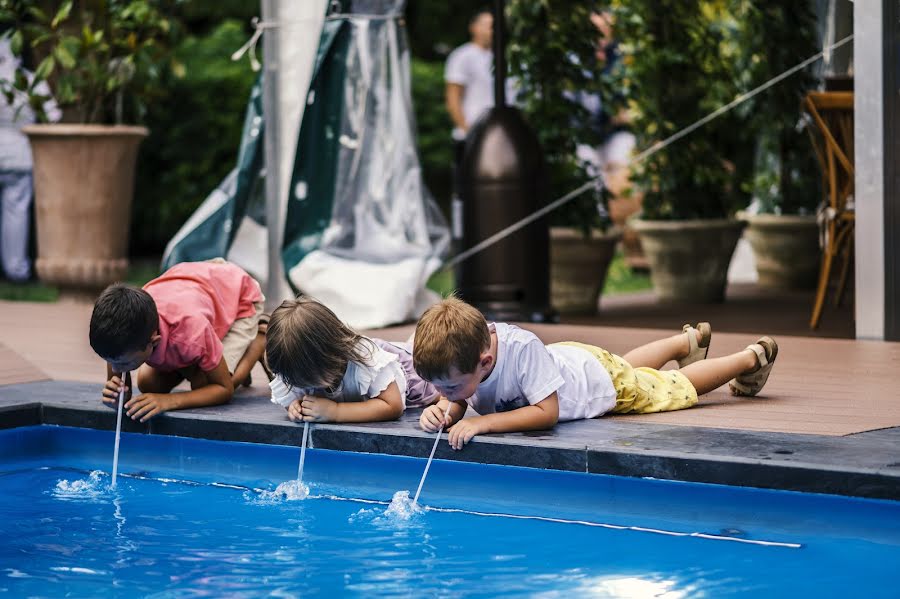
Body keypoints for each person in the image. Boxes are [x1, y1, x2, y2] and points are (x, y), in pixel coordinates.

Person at [413, 296, 778, 450]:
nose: (444, 392)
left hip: (600, 387)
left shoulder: (519, 350)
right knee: (626, 363)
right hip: (576, 362)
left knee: (669, 387)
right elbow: (460, 394)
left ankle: (750, 359)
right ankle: (685, 344)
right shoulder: (469, 350)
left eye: (450, 385)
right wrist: (449, 409)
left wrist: (481, 424)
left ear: (485, 363)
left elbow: (547, 414)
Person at [89, 259, 267, 422]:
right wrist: (119, 397)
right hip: (198, 285)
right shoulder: (121, 333)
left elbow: (223, 389)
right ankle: (196, 364)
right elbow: (118, 372)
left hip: (239, 298)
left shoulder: (192, 333)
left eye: (124, 362)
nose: (115, 369)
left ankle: (258, 342)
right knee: (149, 384)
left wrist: (169, 401)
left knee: (202, 384)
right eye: (110, 360)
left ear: (154, 342)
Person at [265, 297, 440, 424]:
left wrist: (336, 412)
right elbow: (288, 395)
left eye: (305, 381)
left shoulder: (366, 362)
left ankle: (426, 335)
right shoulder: (294, 364)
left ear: (330, 356)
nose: (301, 386)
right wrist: (294, 407)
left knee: (435, 361)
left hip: (410, 373)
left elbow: (393, 406)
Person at [0, 38, 60, 282]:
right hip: (20, 154)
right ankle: (16, 270)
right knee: (16, 213)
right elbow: (53, 116)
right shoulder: (29, 79)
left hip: (16, 153)